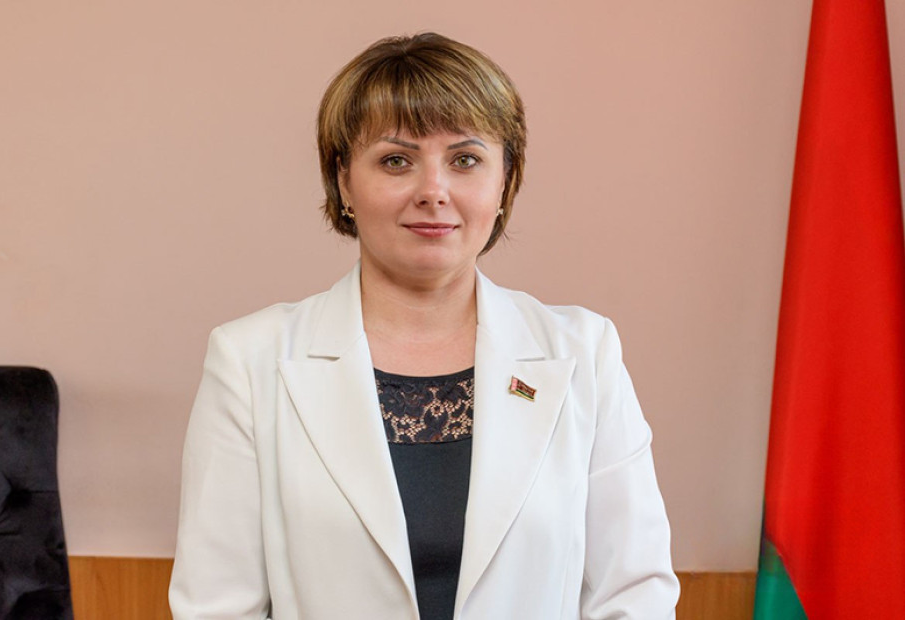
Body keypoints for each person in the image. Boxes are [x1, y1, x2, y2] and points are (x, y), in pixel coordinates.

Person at [169, 32, 679, 620]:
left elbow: (633, 596)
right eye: (396, 161)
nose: (433, 191)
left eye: (465, 160)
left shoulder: (585, 352)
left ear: (505, 180)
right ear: (343, 181)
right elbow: (217, 608)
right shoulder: (249, 361)